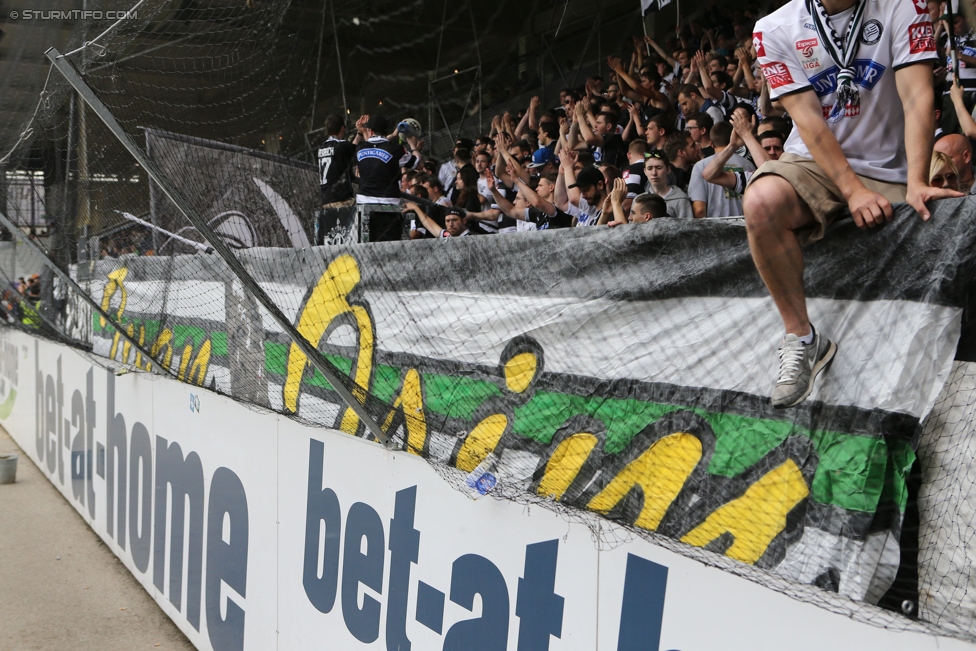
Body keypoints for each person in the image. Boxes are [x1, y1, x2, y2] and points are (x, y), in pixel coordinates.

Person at [746, 0, 957, 408]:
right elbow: (807, 119)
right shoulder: (772, 27)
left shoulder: (904, 5)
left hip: (893, 166)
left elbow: (917, 96)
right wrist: (852, 190)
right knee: (761, 201)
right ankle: (802, 339)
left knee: (937, 228)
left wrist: (917, 180)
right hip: (815, 163)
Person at [688, 122, 755, 218]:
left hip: (714, 228)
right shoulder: (748, 164)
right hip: (743, 226)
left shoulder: (701, 166)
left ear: (711, 144)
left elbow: (699, 209)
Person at [644, 149, 694, 219]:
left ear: (668, 170)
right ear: (645, 171)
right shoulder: (639, 200)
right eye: (649, 168)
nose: (654, 173)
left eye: (658, 168)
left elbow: (688, 228)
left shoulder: (681, 199)